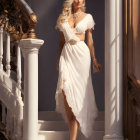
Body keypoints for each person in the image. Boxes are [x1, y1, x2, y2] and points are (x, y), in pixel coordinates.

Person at [55, 0, 102, 140]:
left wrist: (94, 59)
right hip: (67, 55)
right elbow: (61, 42)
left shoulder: (88, 17)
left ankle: (72, 138)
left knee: (78, 96)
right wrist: (58, 60)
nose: (79, 1)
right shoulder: (63, 17)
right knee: (65, 90)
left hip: (81, 56)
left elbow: (90, 40)